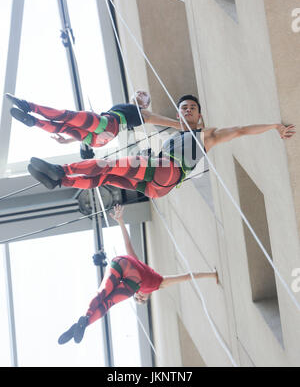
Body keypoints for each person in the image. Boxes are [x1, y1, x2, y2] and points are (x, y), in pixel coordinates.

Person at [26, 94, 296, 198]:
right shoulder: (174, 132)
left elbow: (239, 131)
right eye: (184, 108)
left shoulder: (206, 135)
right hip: (157, 185)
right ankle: (61, 182)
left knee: (108, 165)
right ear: (179, 115)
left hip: (167, 172)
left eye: (193, 108)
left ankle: (62, 170)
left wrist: (274, 127)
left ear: (199, 116)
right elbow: (137, 116)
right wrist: (140, 102)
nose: (188, 110)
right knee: (107, 173)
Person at [58, 204, 218, 345]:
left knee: (105, 299)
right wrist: (212, 275)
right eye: (142, 299)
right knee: (104, 296)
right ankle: (84, 322)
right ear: (148, 296)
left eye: (137, 299)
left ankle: (83, 322)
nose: (139, 297)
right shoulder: (158, 283)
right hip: (125, 265)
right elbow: (187, 276)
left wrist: (120, 220)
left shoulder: (134, 288)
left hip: (124, 271)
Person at [6, 90, 202, 148]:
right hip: (99, 137)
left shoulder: (143, 113)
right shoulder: (124, 108)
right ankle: (35, 122)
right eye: (138, 92)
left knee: (68, 116)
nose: (139, 93)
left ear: (145, 103)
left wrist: (190, 126)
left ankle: (28, 106)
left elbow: (168, 122)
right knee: (65, 127)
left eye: (143, 94)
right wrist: (67, 142)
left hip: (107, 127)